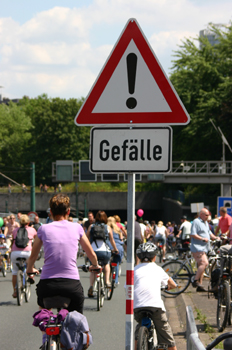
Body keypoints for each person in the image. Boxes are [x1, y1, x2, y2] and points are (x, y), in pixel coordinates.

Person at [27, 194, 99, 312]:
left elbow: (33, 255)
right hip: (71, 285)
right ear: (68, 211)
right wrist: (95, 265)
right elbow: (91, 253)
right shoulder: (77, 227)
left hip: (47, 284)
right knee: (76, 318)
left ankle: (45, 329)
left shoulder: (43, 229)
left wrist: (30, 269)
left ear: (50, 212)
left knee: (44, 311)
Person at [134, 242, 177, 350]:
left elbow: (127, 288)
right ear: (154, 257)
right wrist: (166, 287)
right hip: (155, 306)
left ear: (138, 257)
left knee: (139, 328)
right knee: (166, 336)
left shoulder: (134, 270)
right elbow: (173, 285)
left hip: (137, 306)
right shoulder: (157, 269)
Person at [86, 210, 118, 297]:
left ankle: (91, 286)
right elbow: (112, 240)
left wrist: (85, 250)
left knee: (93, 267)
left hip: (93, 251)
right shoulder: (107, 227)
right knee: (107, 263)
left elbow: (86, 238)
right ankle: (107, 281)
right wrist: (115, 249)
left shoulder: (91, 226)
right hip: (105, 251)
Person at [191, 208, 219, 292]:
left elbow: (209, 233)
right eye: (206, 215)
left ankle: (200, 285)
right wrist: (202, 239)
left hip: (204, 248)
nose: (208, 217)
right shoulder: (196, 221)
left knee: (201, 267)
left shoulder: (206, 223)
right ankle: (195, 281)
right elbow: (193, 234)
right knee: (204, 263)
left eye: (208, 215)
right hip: (197, 247)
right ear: (201, 214)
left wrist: (216, 237)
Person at [11, 214, 37, 298]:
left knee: (15, 272)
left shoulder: (15, 230)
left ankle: (15, 292)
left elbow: (12, 240)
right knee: (30, 263)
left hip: (15, 252)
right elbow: (36, 241)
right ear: (28, 222)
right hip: (27, 252)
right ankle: (31, 275)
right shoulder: (32, 230)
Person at [107, 216, 124, 286]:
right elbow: (121, 239)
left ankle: (107, 279)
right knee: (116, 263)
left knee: (106, 263)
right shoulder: (118, 229)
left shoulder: (106, 229)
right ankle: (116, 281)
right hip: (118, 248)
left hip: (108, 247)